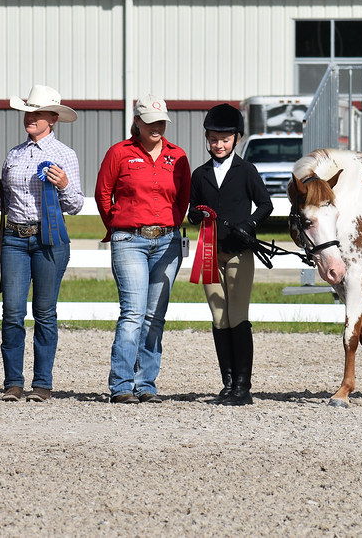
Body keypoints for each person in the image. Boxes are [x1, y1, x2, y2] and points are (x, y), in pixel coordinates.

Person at [0, 85, 83, 403]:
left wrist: (62, 185)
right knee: (12, 312)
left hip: (49, 240)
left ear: (53, 118)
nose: (29, 118)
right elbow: (2, 202)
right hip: (14, 239)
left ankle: (43, 384)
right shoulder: (14, 155)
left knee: (45, 312)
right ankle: (13, 383)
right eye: (28, 112)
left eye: (36, 113)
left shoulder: (65, 156)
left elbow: (75, 205)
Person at [95, 94, 191, 404]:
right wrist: (119, 225)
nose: (157, 127)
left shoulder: (178, 157)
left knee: (155, 316)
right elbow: (103, 194)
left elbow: (183, 198)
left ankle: (146, 383)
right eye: (150, 121)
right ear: (137, 121)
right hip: (130, 241)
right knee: (133, 313)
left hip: (167, 241)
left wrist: (169, 225)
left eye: (161, 121)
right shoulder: (119, 153)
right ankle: (122, 384)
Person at [188, 104, 273, 406]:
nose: (218, 145)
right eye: (213, 139)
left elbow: (265, 205)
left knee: (237, 315)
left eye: (224, 140)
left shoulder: (246, 171)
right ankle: (226, 384)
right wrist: (197, 216)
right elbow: (192, 210)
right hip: (210, 250)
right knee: (218, 316)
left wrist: (248, 224)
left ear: (236, 139)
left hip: (239, 252)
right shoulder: (199, 175)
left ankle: (243, 386)